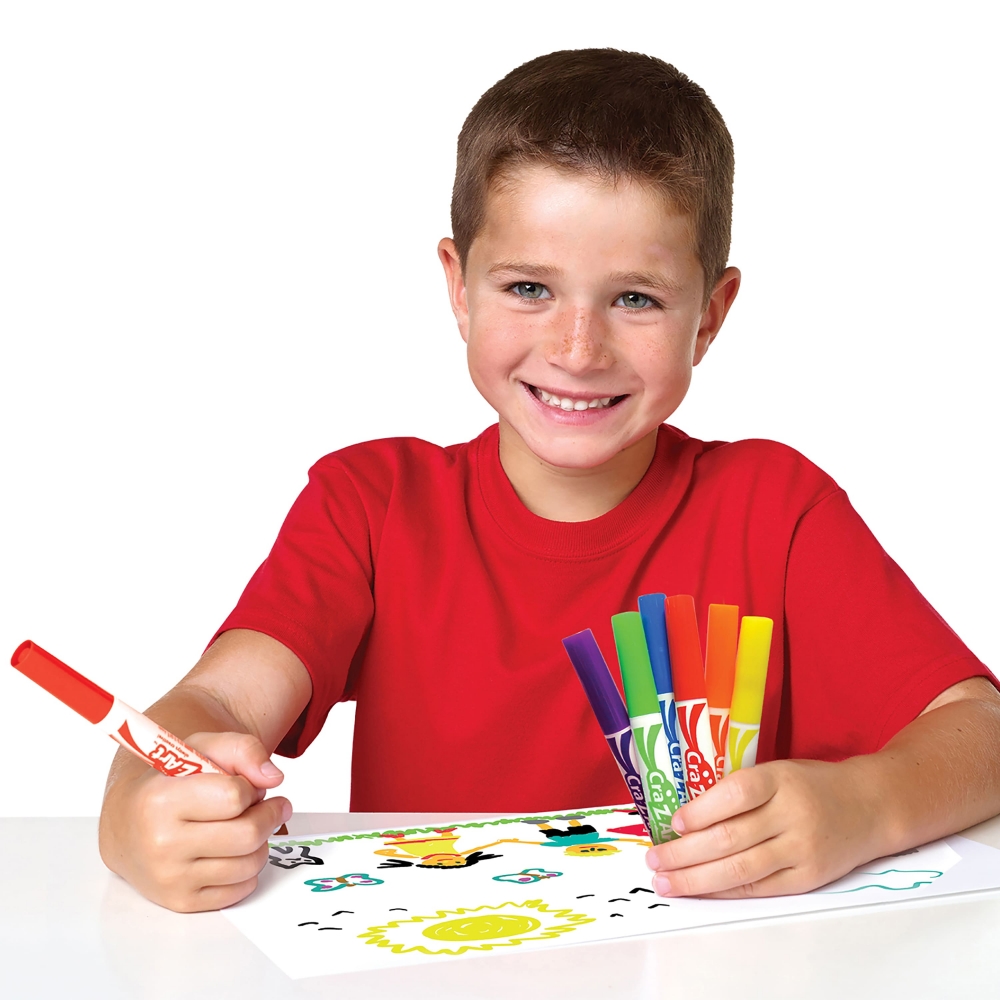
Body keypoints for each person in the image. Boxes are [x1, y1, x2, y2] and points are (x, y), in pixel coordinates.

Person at [98, 48, 1000, 913]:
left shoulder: (776, 509)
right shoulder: (369, 505)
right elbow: (218, 700)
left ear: (710, 316)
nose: (577, 349)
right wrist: (135, 810)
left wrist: (863, 807)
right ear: (459, 287)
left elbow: (982, 733)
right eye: (529, 288)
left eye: (636, 298)